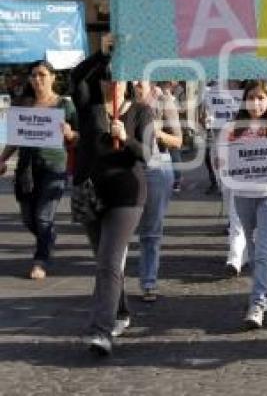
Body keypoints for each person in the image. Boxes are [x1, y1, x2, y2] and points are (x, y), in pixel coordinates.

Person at [71, 38, 156, 355]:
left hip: (127, 194)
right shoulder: (88, 102)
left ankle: (101, 331)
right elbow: (76, 77)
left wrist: (127, 139)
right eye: (108, 74)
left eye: (118, 76)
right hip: (90, 191)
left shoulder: (142, 111)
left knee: (109, 260)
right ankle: (120, 312)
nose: (112, 81)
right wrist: (101, 53)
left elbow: (148, 154)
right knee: (104, 260)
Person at [219, 80, 267, 328]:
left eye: (261, 98)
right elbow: (221, 160)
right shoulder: (233, 129)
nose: (256, 103)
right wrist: (223, 163)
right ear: (244, 100)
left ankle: (258, 302)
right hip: (243, 194)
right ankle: (263, 291)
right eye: (252, 98)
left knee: (263, 250)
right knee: (253, 250)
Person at [0, 60, 78, 279]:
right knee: (28, 218)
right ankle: (48, 237)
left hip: (54, 166)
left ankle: (40, 260)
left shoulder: (64, 105)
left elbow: (79, 138)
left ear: (53, 78)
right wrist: (2, 159)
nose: (37, 79)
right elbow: (14, 139)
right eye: (34, 75)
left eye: (42, 75)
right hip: (27, 168)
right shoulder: (23, 104)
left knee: (43, 216)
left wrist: (70, 134)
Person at [132, 81, 182, 302]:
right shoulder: (122, 102)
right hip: (127, 166)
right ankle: (112, 282)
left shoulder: (164, 101)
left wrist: (158, 133)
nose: (135, 85)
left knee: (150, 230)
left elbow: (179, 140)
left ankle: (148, 281)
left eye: (139, 81)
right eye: (132, 81)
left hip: (156, 166)